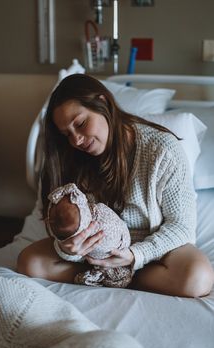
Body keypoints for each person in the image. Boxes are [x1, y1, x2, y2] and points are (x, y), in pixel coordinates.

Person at [17, 74, 214, 297]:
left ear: (103, 103)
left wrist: (134, 256)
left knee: (198, 277)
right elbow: (64, 223)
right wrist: (68, 247)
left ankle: (117, 277)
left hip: (150, 252)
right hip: (94, 253)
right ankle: (110, 276)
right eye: (66, 134)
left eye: (80, 124)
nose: (77, 141)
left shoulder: (161, 150)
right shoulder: (70, 156)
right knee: (29, 262)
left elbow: (182, 226)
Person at [46, 182, 132, 288]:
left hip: (137, 245)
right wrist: (67, 249)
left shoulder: (100, 217)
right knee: (29, 262)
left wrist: (135, 255)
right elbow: (79, 251)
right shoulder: (90, 226)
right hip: (94, 260)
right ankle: (101, 275)